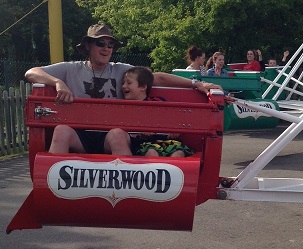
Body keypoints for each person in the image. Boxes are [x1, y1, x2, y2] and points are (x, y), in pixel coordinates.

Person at [25, 23, 221, 155]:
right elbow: (31, 73)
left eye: (110, 45)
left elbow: (157, 77)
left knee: (118, 133)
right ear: (87, 45)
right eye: (100, 43)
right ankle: (53, 195)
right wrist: (57, 82)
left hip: (110, 135)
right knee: (60, 130)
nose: (106, 48)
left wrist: (198, 84)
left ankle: (126, 199)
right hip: (81, 133)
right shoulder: (70, 68)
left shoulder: (121, 70)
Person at [122, 66, 193, 157]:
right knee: (152, 153)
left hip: (166, 142)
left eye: (129, 83)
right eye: (123, 83)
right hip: (145, 144)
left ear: (143, 87)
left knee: (178, 153)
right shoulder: (126, 109)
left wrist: (175, 129)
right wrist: (142, 132)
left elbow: (175, 117)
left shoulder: (157, 102)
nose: (124, 86)